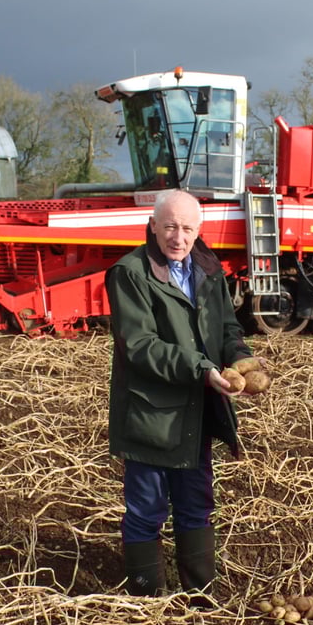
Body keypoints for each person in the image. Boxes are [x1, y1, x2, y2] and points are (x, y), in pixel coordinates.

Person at [106, 188, 260, 599]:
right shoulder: (130, 273)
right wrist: (203, 370)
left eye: (188, 228)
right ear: (153, 225)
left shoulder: (209, 271)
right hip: (150, 417)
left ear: (199, 230)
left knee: (196, 504)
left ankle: (201, 598)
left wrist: (242, 358)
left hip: (197, 412)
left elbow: (228, 329)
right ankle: (145, 598)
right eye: (170, 226)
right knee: (146, 512)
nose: (178, 237)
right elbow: (140, 346)